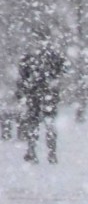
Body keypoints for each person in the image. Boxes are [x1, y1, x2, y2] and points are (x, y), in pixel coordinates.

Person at [15, 31, 66, 164]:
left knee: (37, 124)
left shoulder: (29, 58)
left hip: (37, 95)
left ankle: (36, 151)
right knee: (46, 124)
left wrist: (23, 91)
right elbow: (61, 72)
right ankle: (48, 152)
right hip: (44, 95)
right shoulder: (52, 57)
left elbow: (22, 78)